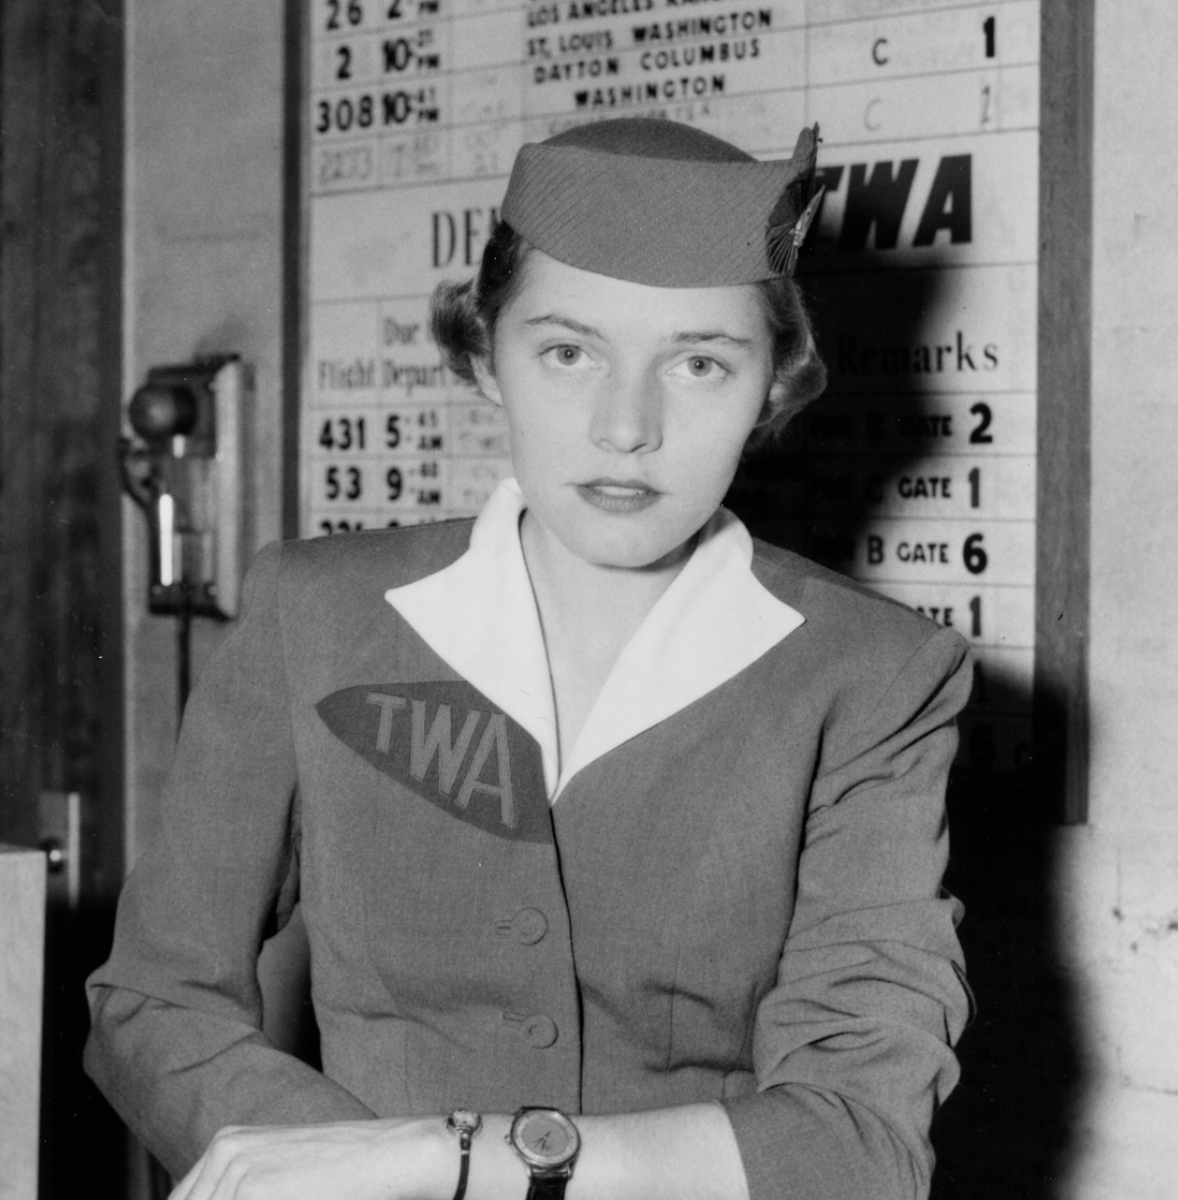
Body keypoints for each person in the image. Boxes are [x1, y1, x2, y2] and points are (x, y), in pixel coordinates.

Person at [85, 118, 973, 1200]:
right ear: (482, 354)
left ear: (775, 385)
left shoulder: (876, 677)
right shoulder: (312, 615)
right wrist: (318, 1158)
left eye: (699, 362)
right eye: (567, 351)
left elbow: (862, 1139)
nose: (626, 427)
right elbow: (154, 1001)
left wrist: (448, 1159)